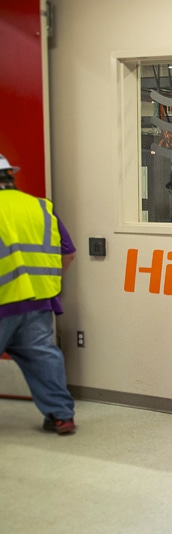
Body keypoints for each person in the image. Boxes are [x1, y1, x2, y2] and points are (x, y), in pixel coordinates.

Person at [0, 153, 78, 435]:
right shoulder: (40, 208)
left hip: (2, 301)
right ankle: (61, 416)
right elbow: (68, 254)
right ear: (10, 177)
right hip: (38, 302)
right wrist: (46, 284)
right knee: (44, 357)